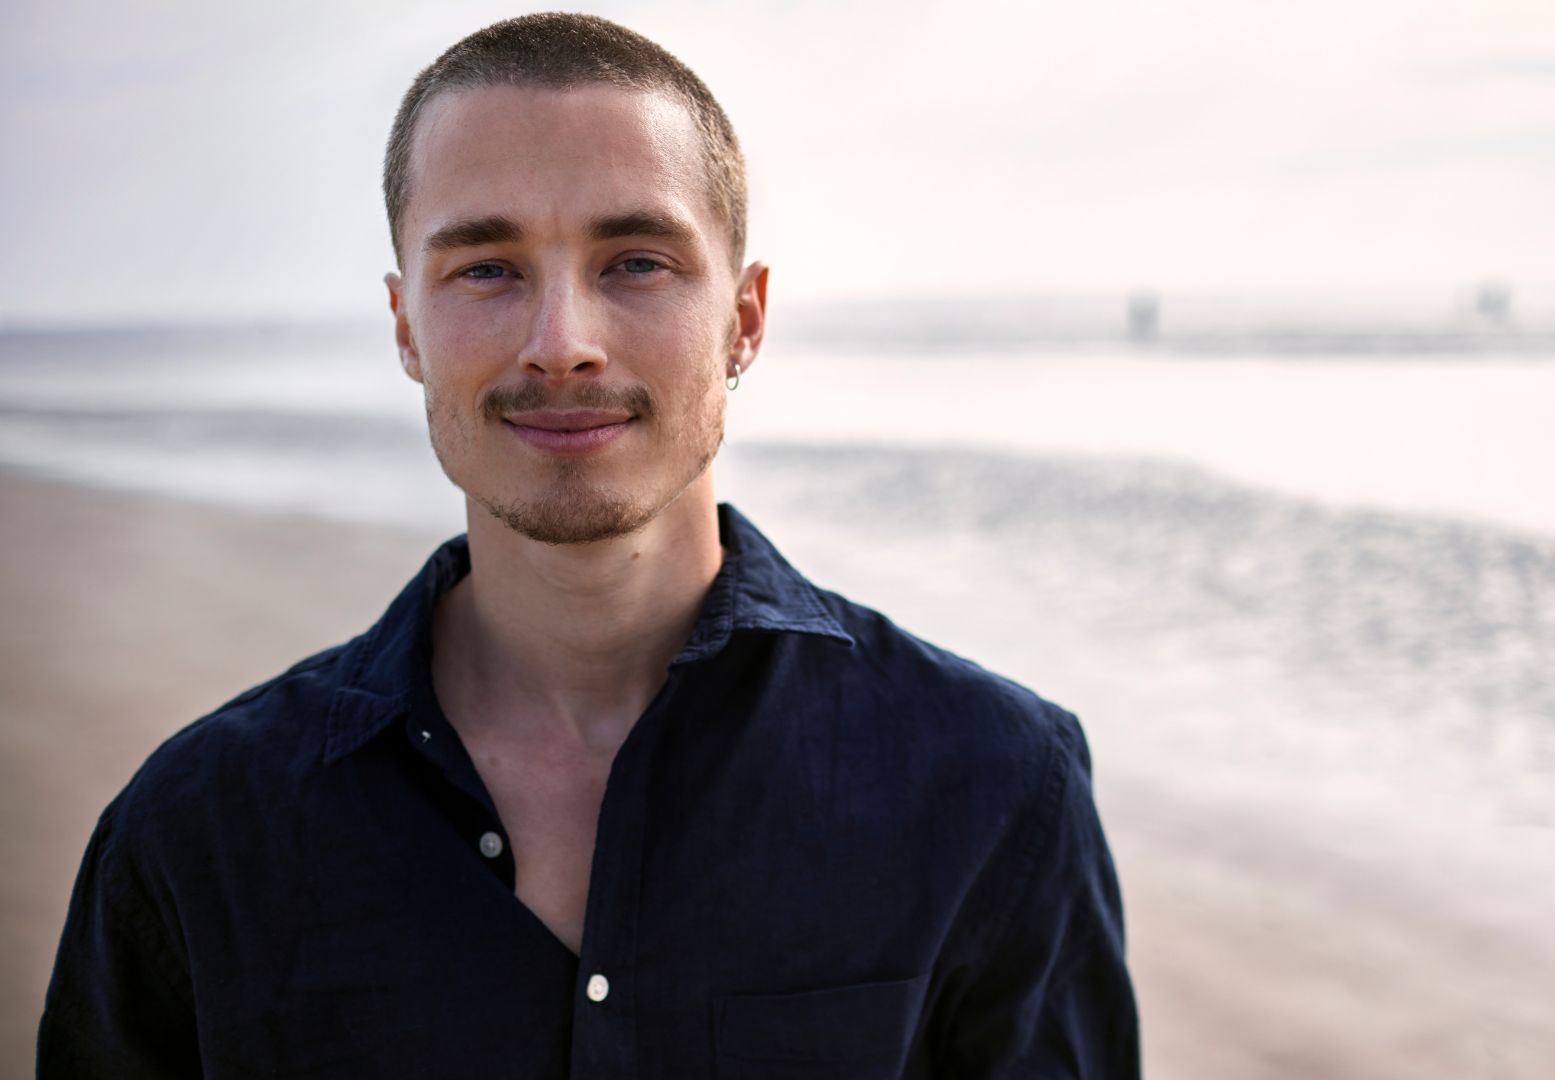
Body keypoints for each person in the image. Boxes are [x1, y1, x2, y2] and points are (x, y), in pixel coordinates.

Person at [38, 13, 1139, 1078]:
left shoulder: (994, 786)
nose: (562, 341)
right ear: (406, 326)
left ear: (745, 320)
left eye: (636, 261)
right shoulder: (196, 837)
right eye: (487, 268)